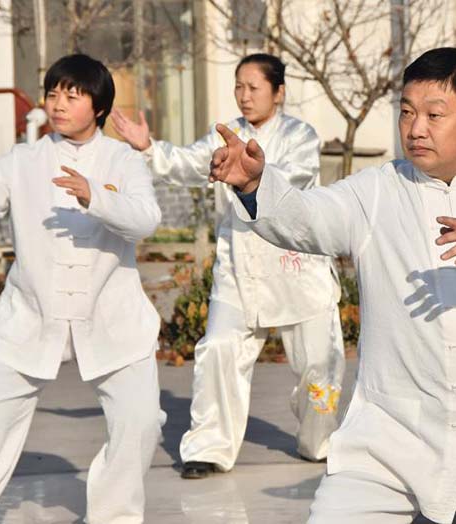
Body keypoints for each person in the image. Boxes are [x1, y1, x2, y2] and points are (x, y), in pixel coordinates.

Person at [210, 47, 456, 524]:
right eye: (407, 113)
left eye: (435, 114)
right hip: (391, 445)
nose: (416, 129)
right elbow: (309, 219)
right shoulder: (375, 190)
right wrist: (255, 187)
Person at [111, 53, 345, 478]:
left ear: (279, 92)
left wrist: (252, 172)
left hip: (297, 269)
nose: (244, 95)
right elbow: (186, 163)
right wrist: (148, 147)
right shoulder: (226, 134)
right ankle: (209, 448)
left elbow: (295, 181)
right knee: (218, 349)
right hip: (240, 269)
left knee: (320, 366)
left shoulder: (300, 135)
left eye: (254, 87)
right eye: (239, 86)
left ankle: (320, 441)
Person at [0, 54, 163, 523]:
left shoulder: (122, 159)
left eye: (72, 94)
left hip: (113, 320)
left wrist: (95, 197)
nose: (59, 103)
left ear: (98, 106)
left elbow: (146, 220)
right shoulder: (23, 160)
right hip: (29, 318)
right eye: (53, 93)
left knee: (139, 426)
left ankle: (114, 517)